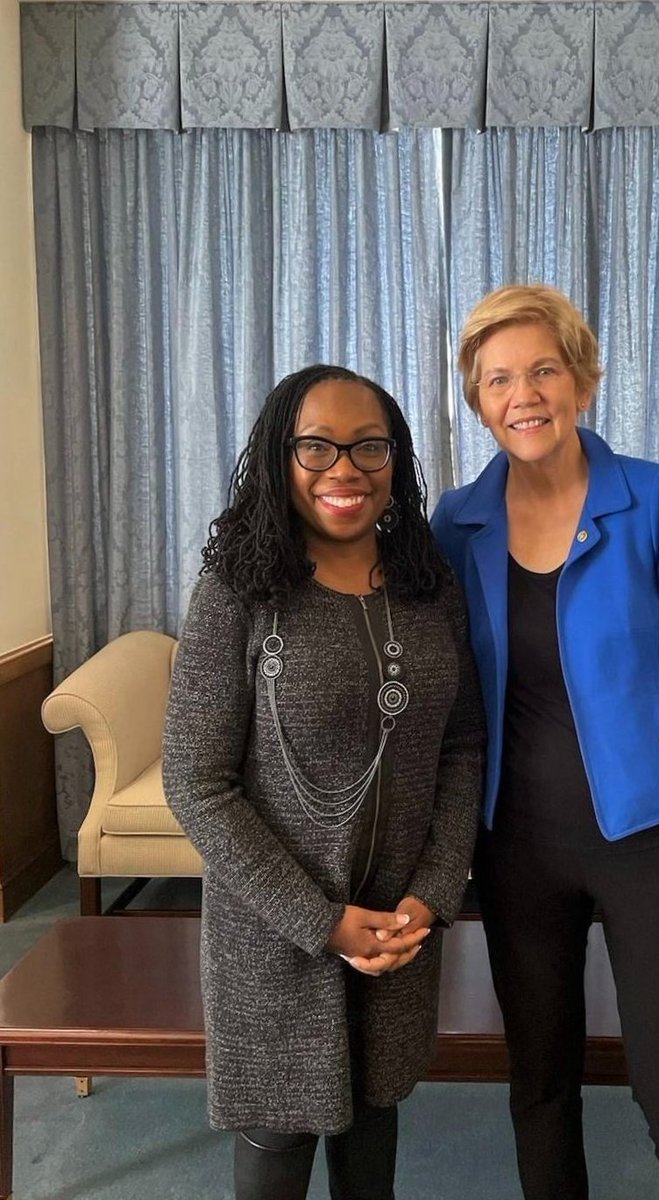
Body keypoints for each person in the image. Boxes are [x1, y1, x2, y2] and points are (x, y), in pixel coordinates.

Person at [431, 285, 659, 1200]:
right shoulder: (454, 524)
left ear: (583, 380)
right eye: (499, 379)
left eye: (544, 369)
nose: (524, 394)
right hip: (515, 847)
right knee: (540, 1085)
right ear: (477, 401)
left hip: (654, 840)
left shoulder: (652, 496)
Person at [163, 363, 483, 1200]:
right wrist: (323, 922)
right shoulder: (238, 590)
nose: (345, 469)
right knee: (277, 1144)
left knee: (373, 1134)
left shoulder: (428, 586)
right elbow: (197, 783)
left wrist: (433, 892)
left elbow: (462, 747)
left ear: (396, 459)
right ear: (279, 456)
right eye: (316, 447)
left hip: (398, 931)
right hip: (276, 940)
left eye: (368, 446)